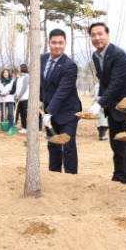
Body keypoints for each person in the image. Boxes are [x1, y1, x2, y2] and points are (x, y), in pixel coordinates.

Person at [88, 22, 126, 188]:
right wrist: (101, 98)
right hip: (113, 106)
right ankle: (118, 177)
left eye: (100, 34)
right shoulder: (95, 56)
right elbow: (104, 81)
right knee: (116, 143)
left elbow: (116, 82)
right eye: (93, 35)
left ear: (108, 35)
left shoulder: (119, 55)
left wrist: (100, 104)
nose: (97, 38)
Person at [40, 29, 82, 174]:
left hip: (68, 111)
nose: (57, 46)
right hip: (49, 111)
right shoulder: (41, 59)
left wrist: (49, 111)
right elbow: (40, 84)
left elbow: (62, 92)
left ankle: (71, 179)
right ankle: (54, 175)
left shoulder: (69, 65)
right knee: (53, 145)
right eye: (54, 42)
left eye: (60, 43)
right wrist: (39, 102)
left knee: (68, 145)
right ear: (49, 43)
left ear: (65, 44)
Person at [14, 63, 30, 134]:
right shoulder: (19, 77)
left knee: (26, 114)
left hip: (25, 98)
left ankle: (28, 128)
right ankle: (24, 128)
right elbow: (17, 88)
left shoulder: (26, 76)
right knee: (22, 114)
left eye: (19, 67)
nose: (18, 69)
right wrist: (16, 96)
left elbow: (24, 88)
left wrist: (19, 96)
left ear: (23, 68)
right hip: (19, 98)